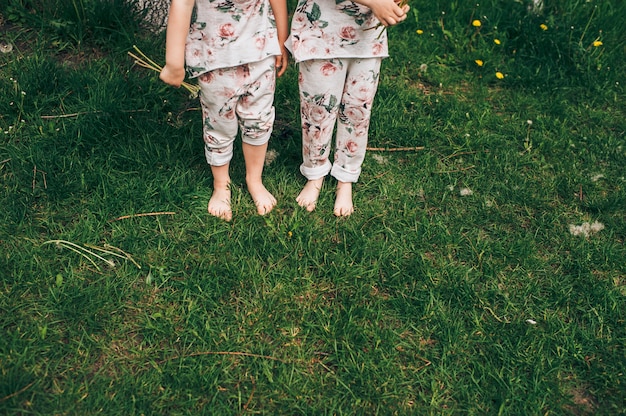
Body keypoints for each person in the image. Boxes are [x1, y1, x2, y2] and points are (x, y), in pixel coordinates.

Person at [160, 0, 289, 221]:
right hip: (215, 58)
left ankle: (254, 179)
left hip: (261, 50)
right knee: (219, 122)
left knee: (259, 118)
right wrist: (174, 62)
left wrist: (281, 39)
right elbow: (182, 3)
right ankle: (221, 184)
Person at [286, 0, 409, 216]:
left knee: (357, 110)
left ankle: (346, 176)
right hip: (321, 31)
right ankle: (315, 173)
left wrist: (392, 6)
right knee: (318, 110)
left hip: (366, 35)